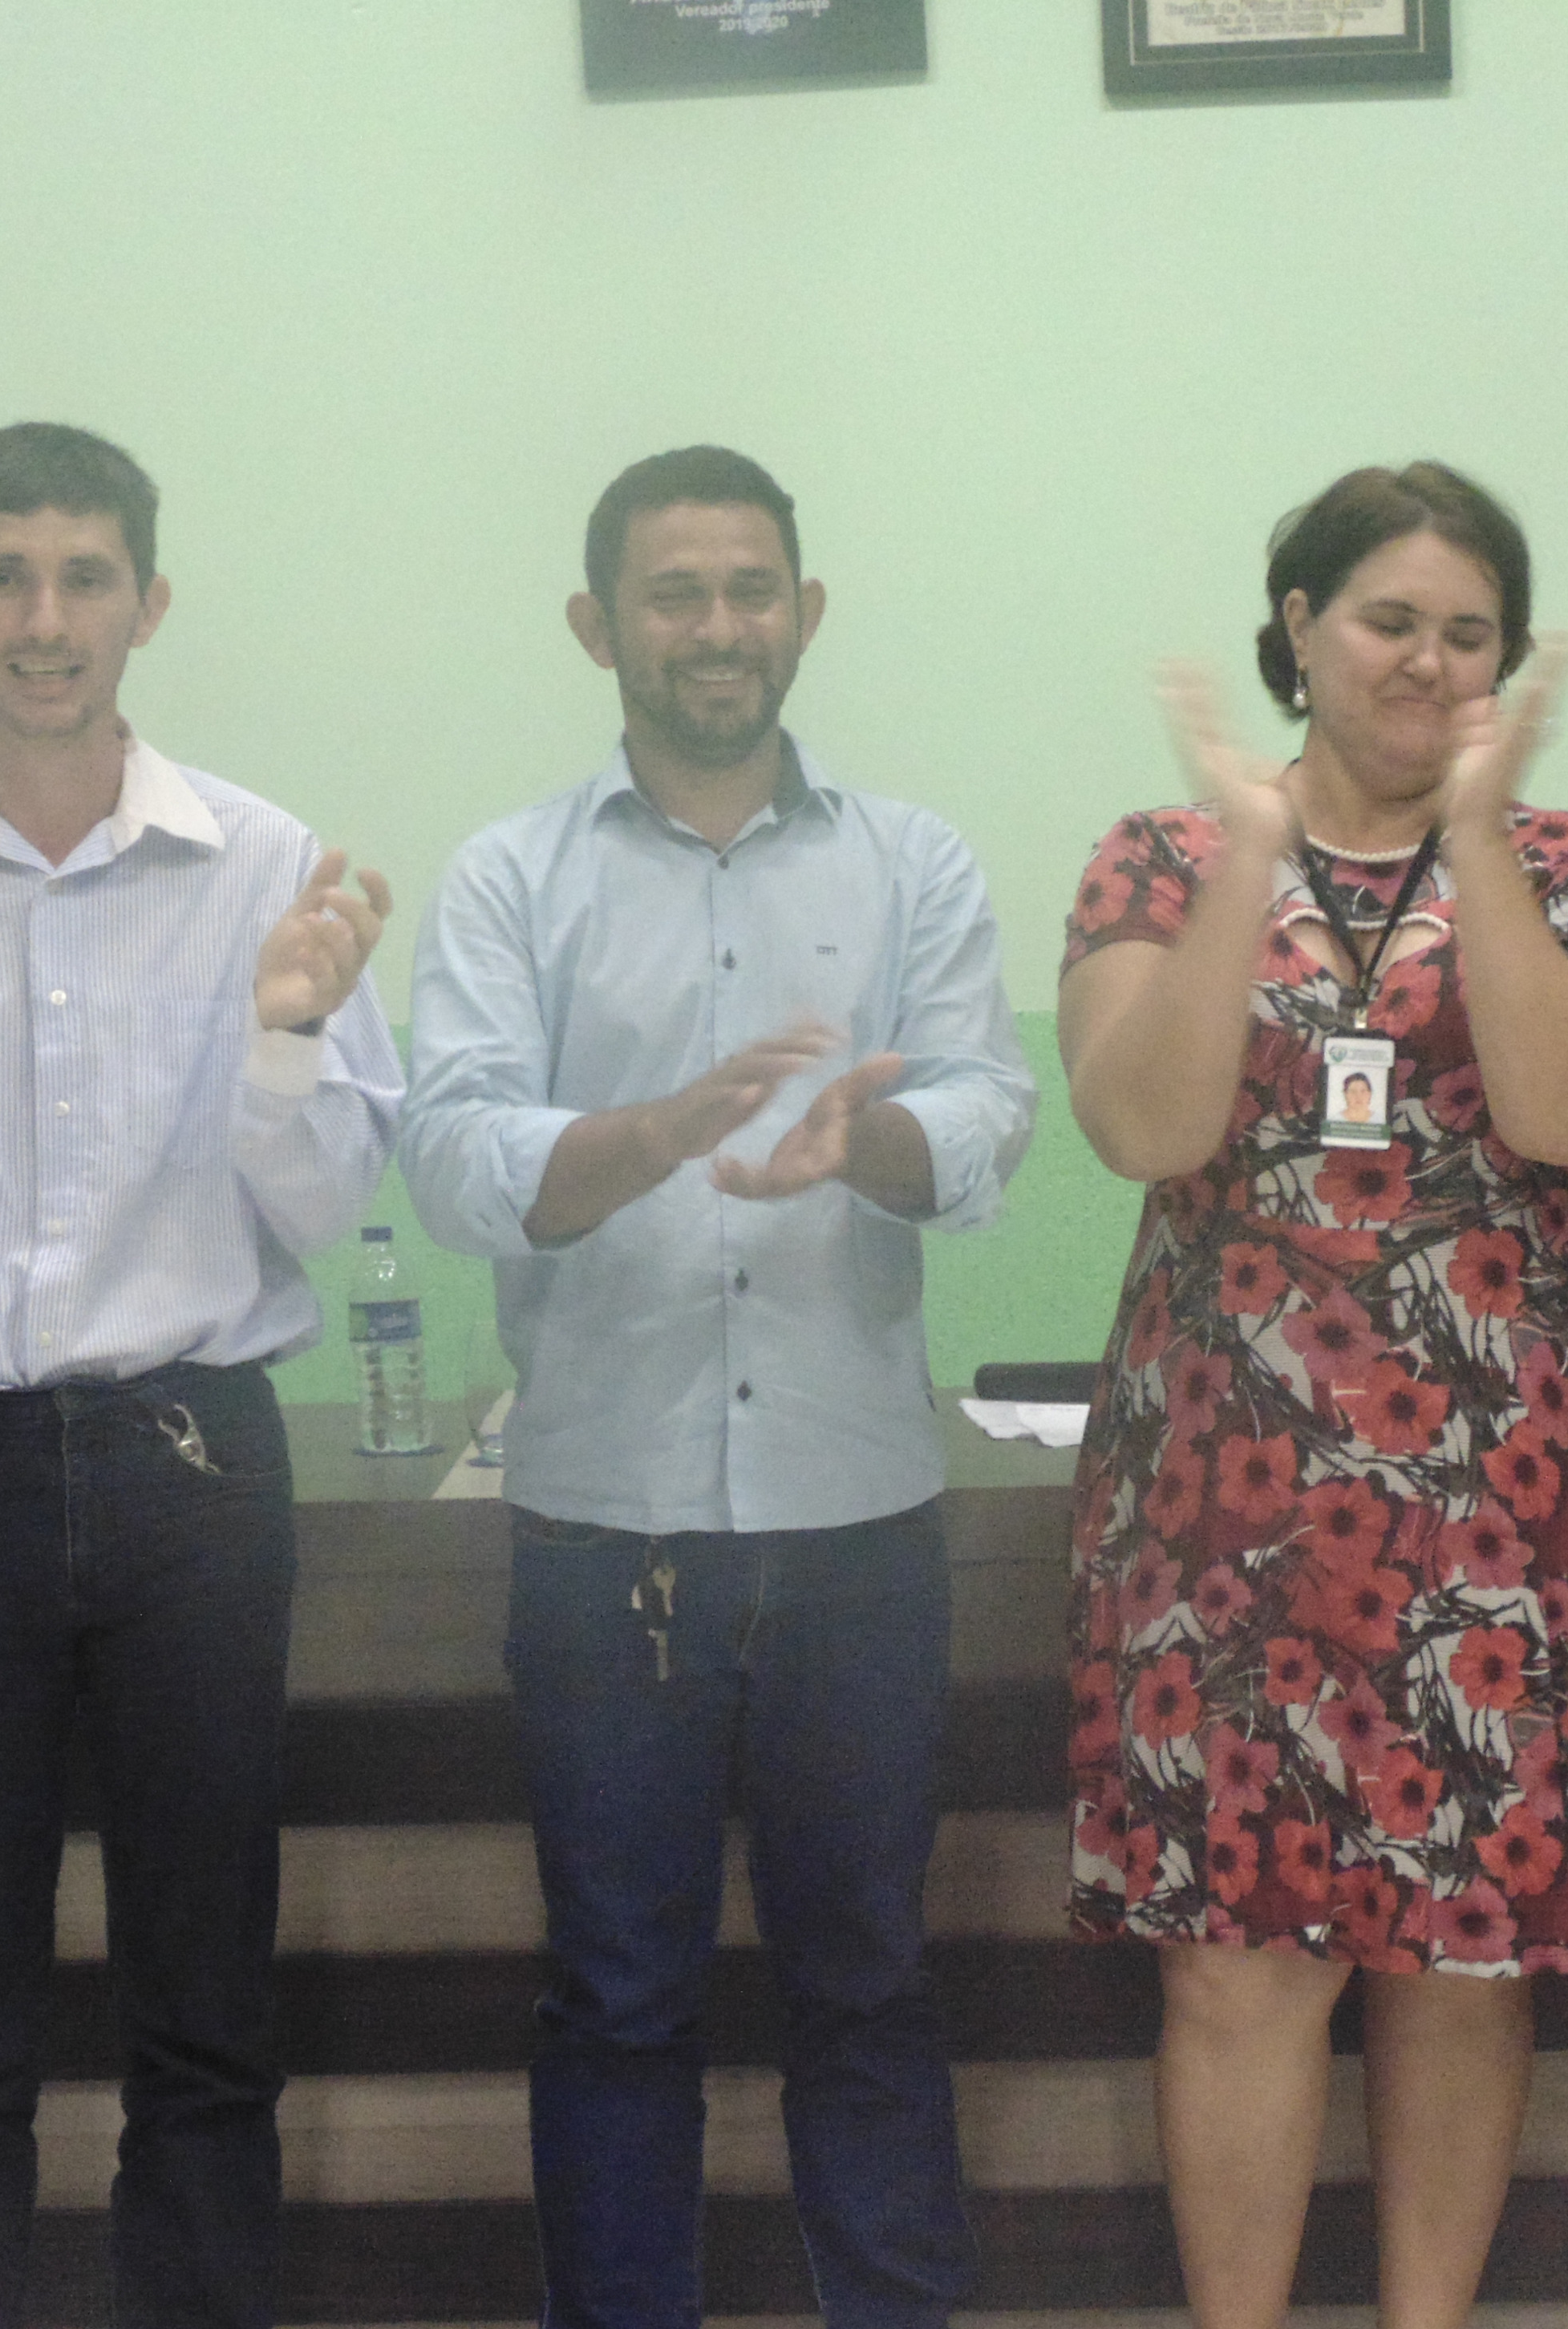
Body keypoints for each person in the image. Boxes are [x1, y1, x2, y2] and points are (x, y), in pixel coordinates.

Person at [1059, 463, 1568, 2329]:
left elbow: (1565, 1110)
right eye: (1387, 620)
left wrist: (1482, 839)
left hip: (1502, 1496)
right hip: (1226, 1497)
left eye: (1467, 634)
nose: (1427, 661)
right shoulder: (1159, 856)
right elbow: (1144, 1126)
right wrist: (1250, 858)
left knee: (1462, 1954)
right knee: (1236, 1963)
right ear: (1298, 626)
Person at [0, 422, 401, 2329]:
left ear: (149, 603)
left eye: (85, 577)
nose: (46, 618)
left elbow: (329, 1199)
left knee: (206, 2016)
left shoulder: (261, 863)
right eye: (6, 576)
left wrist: (284, 1040)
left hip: (195, 1469)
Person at [400, 444, 1035, 2329]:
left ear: (804, 612)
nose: (717, 627)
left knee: (870, 1986)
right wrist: (647, 1135)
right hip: (606, 1533)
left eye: (751, 589)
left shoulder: (911, 861)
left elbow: (989, 1117)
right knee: (616, 2000)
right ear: (596, 625)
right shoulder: (509, 875)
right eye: (673, 594)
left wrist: (867, 1143)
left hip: (858, 1525)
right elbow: (455, 1159)